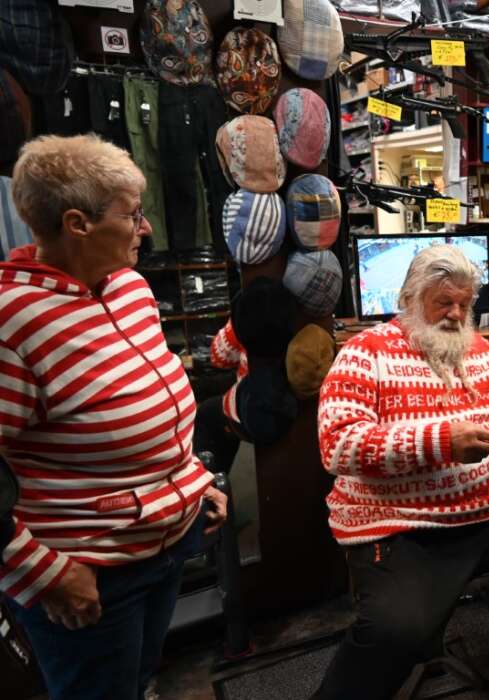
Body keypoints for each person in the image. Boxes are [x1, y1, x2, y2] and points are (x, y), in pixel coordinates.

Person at [312, 245, 489, 700]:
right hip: (402, 524)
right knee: (396, 630)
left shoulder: (483, 352)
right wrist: (441, 442)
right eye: (443, 302)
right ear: (409, 299)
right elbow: (338, 446)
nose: (455, 314)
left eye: (464, 305)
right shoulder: (364, 353)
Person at [0, 134, 227, 700]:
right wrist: (40, 571)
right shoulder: (14, 322)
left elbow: (151, 401)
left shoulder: (129, 287)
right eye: (131, 215)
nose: (145, 228)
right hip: (90, 568)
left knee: (138, 680)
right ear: (77, 224)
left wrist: (192, 483)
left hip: (162, 547)